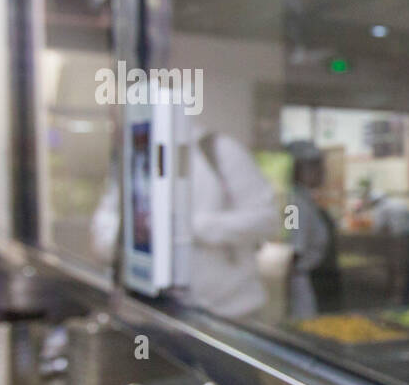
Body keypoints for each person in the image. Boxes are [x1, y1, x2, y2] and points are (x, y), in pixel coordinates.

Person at [91, 122, 280, 320]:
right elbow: (103, 232)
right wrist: (139, 234)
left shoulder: (219, 150)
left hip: (230, 313)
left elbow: (266, 220)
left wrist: (188, 227)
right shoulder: (135, 157)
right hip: (154, 312)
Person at [285, 141, 341, 318]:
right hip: (303, 282)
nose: (322, 172)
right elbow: (294, 250)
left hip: (314, 278)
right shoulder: (294, 204)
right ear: (299, 169)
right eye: (315, 166)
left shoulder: (303, 199)